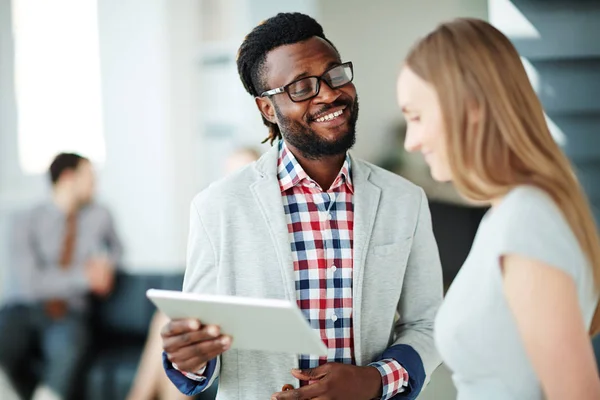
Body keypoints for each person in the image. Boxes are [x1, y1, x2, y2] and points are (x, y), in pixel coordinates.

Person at [160, 12, 443, 400]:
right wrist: (190, 360)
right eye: (301, 87)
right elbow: (205, 349)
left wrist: (374, 380)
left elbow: (427, 324)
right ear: (266, 109)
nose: (328, 93)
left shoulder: (403, 200)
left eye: (334, 74)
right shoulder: (218, 207)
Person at [397, 18, 600, 400]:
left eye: (417, 116)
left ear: (471, 106)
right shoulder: (508, 215)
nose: (411, 141)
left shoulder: (527, 220)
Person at [125, 148, 261, 400]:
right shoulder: (215, 222)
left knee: (175, 328)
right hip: (220, 317)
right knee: (169, 323)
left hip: (246, 325)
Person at [0, 153, 123, 400]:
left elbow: (117, 251)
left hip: (72, 311)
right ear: (68, 178)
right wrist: (84, 278)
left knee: (68, 344)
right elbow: (30, 283)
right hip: (28, 308)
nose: (94, 185)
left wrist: (107, 266)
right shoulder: (27, 220)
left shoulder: (100, 215)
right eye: (89, 177)